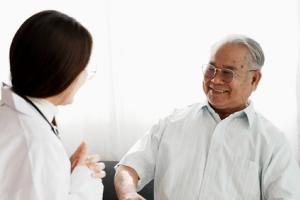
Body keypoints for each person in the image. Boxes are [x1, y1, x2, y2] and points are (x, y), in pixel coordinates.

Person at [114, 35, 300, 200]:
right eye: (211, 69)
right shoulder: (172, 122)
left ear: (254, 80)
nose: (215, 80)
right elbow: (129, 167)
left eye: (228, 73)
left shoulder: (273, 143)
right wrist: (128, 192)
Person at [0, 10, 105, 200]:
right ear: (62, 71)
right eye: (84, 68)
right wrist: (86, 182)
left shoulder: (12, 117)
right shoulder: (37, 142)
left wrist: (63, 171)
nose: (84, 78)